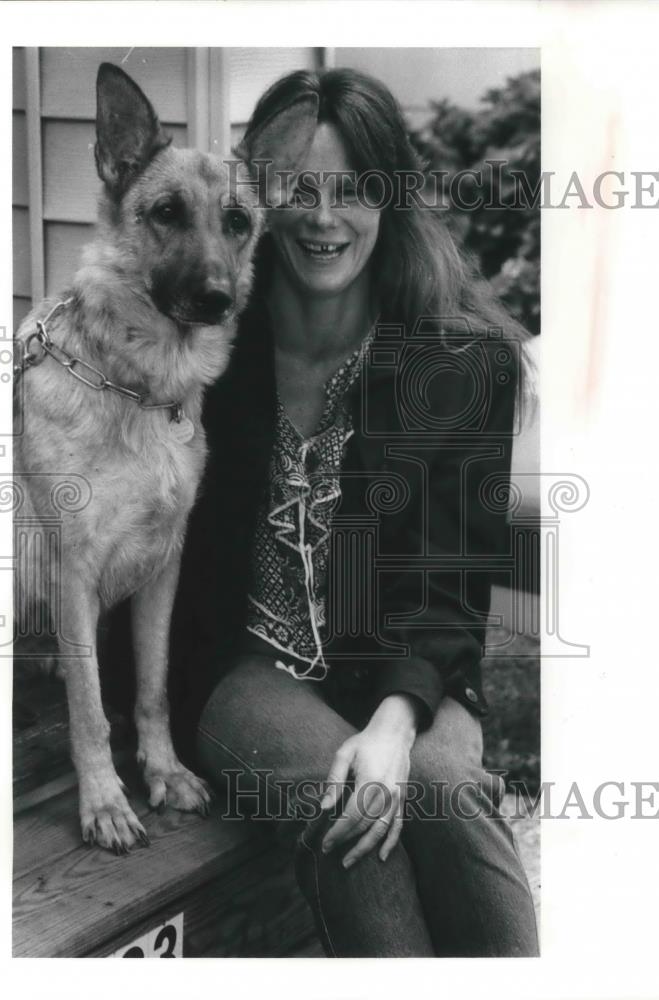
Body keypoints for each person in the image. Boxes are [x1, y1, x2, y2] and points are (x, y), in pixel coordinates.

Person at [167, 67, 539, 958]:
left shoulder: (456, 360)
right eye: (295, 185)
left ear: (392, 196)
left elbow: (452, 587)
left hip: (399, 660)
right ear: (256, 194)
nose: (322, 215)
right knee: (354, 822)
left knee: (446, 788)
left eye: (354, 188)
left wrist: (397, 724)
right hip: (241, 670)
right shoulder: (203, 349)